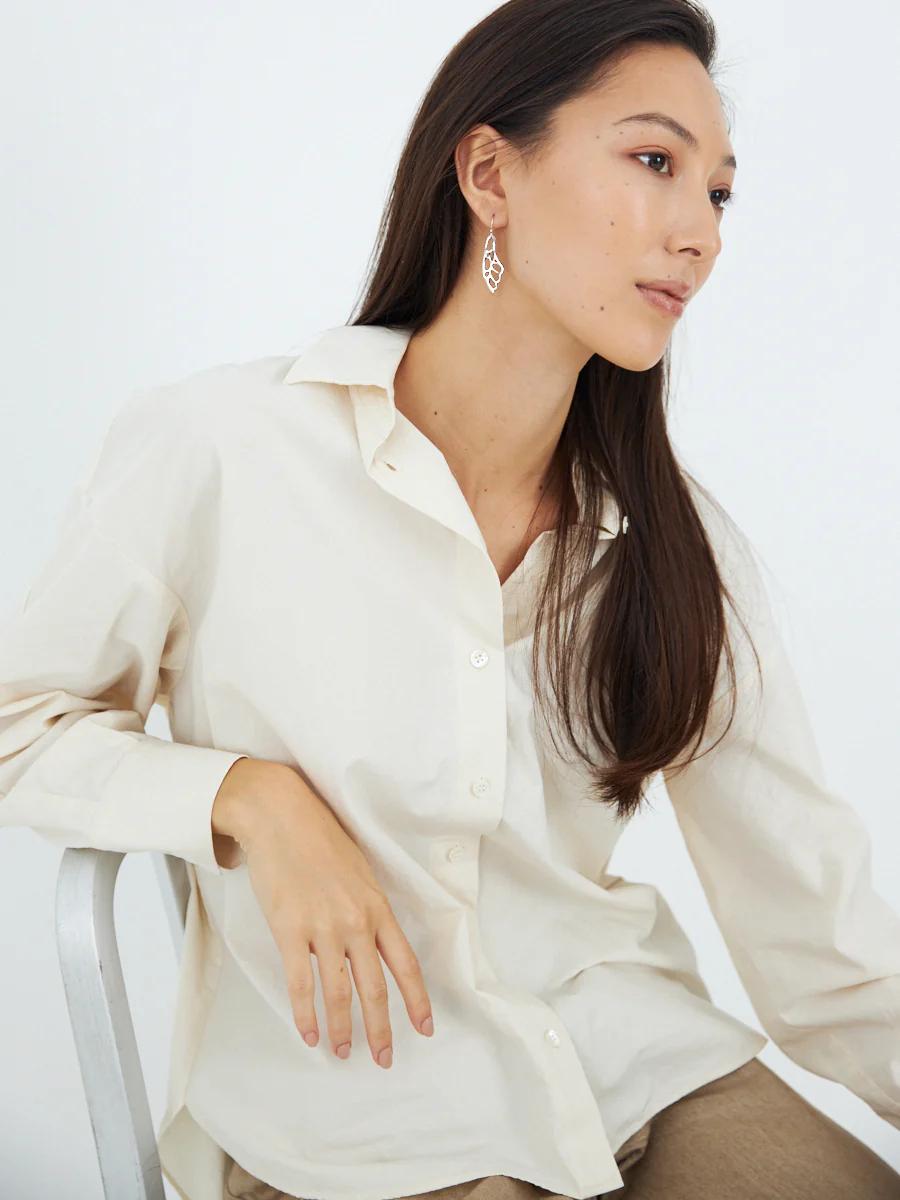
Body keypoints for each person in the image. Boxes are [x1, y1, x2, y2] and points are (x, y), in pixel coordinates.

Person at [2, 0, 899, 1198]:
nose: (699, 233)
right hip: (357, 1123)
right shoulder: (223, 446)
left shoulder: (677, 549)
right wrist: (245, 797)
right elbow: (21, 721)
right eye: (653, 163)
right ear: (489, 174)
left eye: (719, 192)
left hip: (636, 1061)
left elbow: (819, 943)